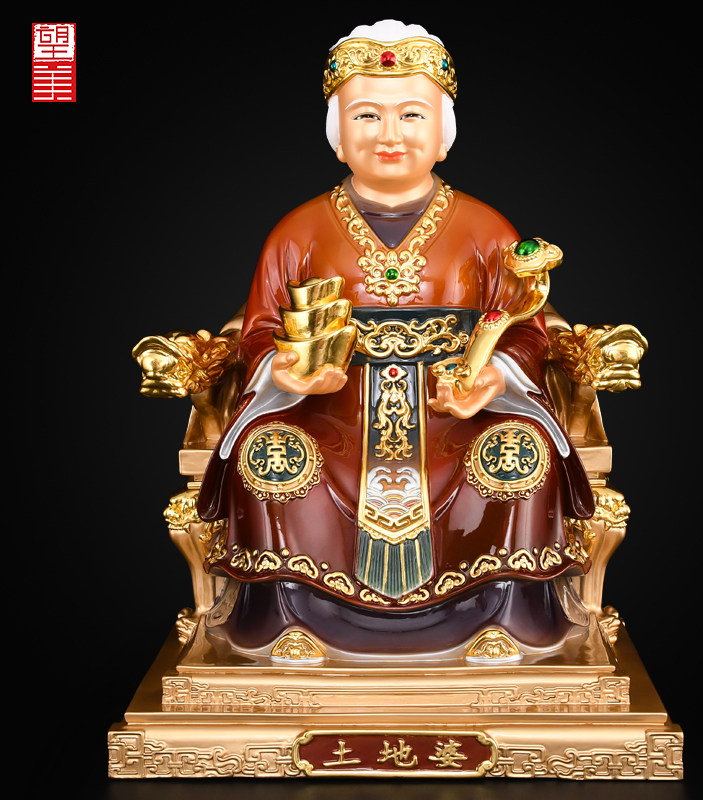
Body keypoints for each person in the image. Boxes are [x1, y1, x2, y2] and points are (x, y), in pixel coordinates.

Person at [196, 20, 596, 659]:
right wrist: (288, 369)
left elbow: (526, 331)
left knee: (520, 455)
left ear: (443, 134)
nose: (389, 134)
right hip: (331, 409)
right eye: (366, 116)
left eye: (412, 114)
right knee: (269, 457)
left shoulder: (485, 228)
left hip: (453, 412)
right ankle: (287, 620)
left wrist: (493, 377)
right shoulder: (297, 232)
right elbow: (260, 331)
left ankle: (505, 617)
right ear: (337, 135)